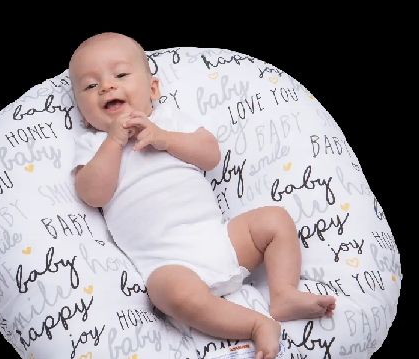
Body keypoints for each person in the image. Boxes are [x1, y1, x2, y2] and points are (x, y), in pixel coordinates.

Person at [69, 32, 336, 359]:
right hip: (168, 264)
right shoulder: (93, 146)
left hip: (221, 241)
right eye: (90, 86)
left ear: (153, 90)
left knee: (274, 220)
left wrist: (165, 138)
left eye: (121, 75)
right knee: (167, 293)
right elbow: (92, 194)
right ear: (83, 114)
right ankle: (255, 325)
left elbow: (210, 155)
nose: (107, 86)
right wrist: (113, 142)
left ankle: (283, 293)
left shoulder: (169, 121)